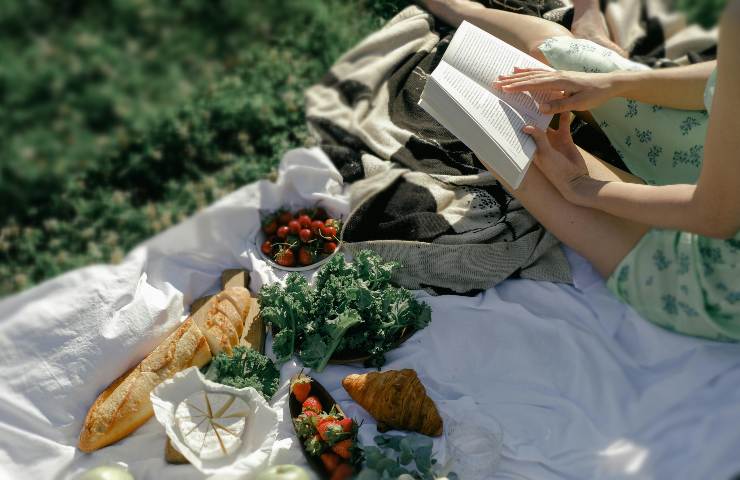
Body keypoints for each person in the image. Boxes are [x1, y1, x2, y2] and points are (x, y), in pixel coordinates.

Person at [421, 0, 740, 340]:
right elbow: (726, 74)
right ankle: (455, 8)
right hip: (714, 143)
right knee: (554, 57)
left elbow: (714, 216)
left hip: (717, 259)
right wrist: (615, 83)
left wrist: (581, 187)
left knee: (509, 142)